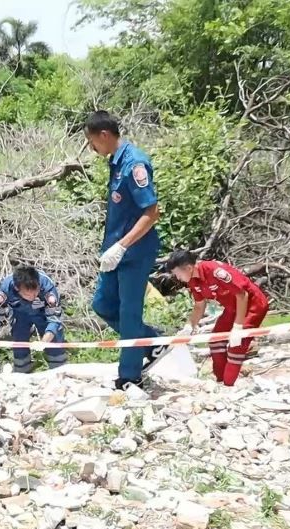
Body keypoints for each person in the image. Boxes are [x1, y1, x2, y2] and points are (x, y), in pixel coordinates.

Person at [84, 111, 163, 390]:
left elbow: (151, 212)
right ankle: (152, 340)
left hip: (135, 252)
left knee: (129, 313)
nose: (93, 149)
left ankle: (130, 376)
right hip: (115, 251)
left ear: (104, 135)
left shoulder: (134, 163)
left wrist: (122, 245)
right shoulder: (115, 163)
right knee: (102, 305)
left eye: (93, 143)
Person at [165, 250, 269, 386]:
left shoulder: (216, 271)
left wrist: (237, 327)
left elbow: (242, 295)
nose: (178, 278)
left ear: (189, 268)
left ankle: (228, 385)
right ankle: (220, 381)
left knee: (236, 345)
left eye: (178, 274)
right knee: (215, 341)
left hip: (252, 305)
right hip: (232, 307)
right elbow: (199, 306)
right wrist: (189, 326)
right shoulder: (193, 280)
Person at [0, 265, 67, 373]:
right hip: (19, 313)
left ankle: (59, 373)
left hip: (43, 314)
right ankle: (22, 373)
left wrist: (44, 342)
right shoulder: (6, 288)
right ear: (17, 289)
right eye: (28, 294)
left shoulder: (47, 287)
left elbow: (54, 319)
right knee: (19, 341)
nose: (32, 296)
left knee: (54, 345)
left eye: (35, 293)